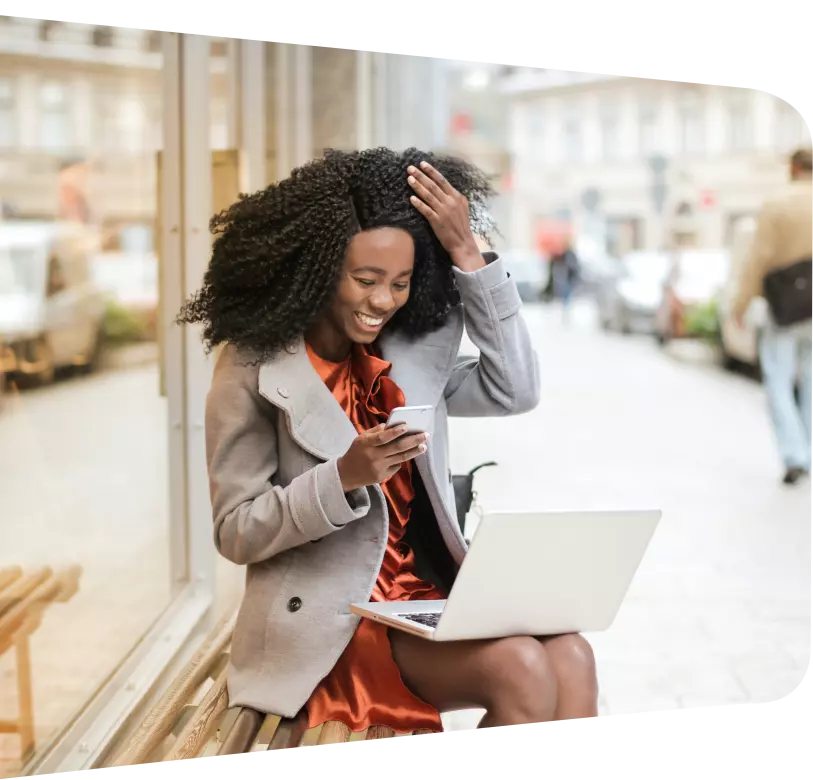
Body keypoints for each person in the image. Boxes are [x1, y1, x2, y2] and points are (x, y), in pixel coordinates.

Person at [177, 147, 599, 735]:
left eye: (400, 282)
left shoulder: (402, 358)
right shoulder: (254, 366)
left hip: (421, 598)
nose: (383, 301)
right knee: (522, 667)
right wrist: (342, 476)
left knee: (573, 654)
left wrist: (466, 254)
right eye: (365, 279)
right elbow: (236, 530)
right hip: (332, 623)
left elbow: (515, 389)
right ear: (319, 269)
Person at [732, 147, 813, 487]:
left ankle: (795, 454)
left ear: (793, 168)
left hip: (787, 306)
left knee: (779, 378)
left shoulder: (777, 203)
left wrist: (740, 304)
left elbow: (759, 258)